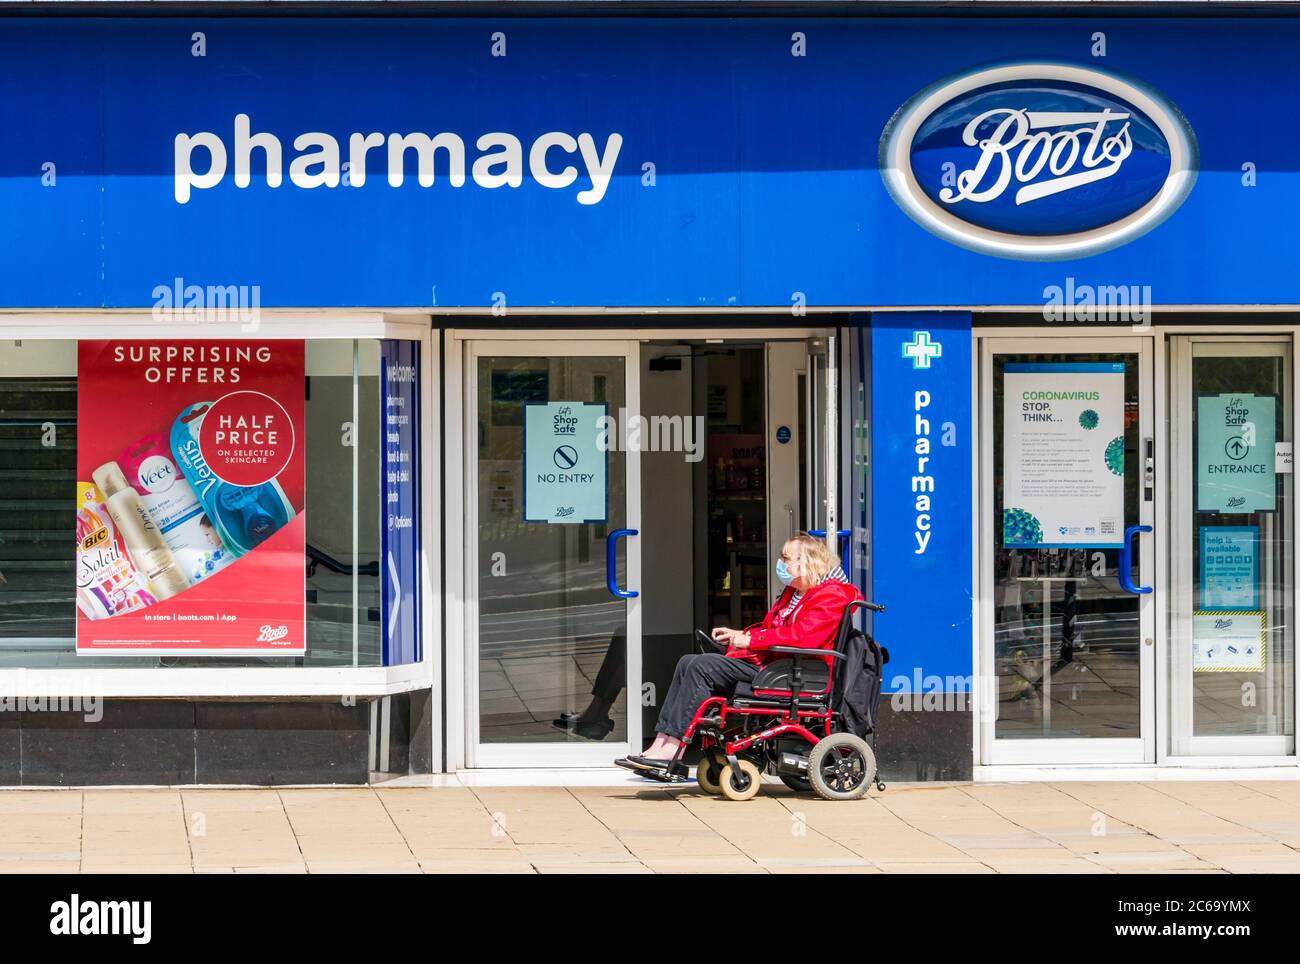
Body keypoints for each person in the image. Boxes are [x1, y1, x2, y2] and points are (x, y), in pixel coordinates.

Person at [615, 532, 861, 774]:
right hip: (775, 666)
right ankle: (662, 743)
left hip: (793, 673)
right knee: (688, 661)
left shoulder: (832, 596)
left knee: (703, 667)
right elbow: (774, 629)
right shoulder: (795, 592)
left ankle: (673, 749)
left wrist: (752, 639)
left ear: (807, 562)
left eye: (785, 558)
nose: (781, 562)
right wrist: (738, 635)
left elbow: (803, 637)